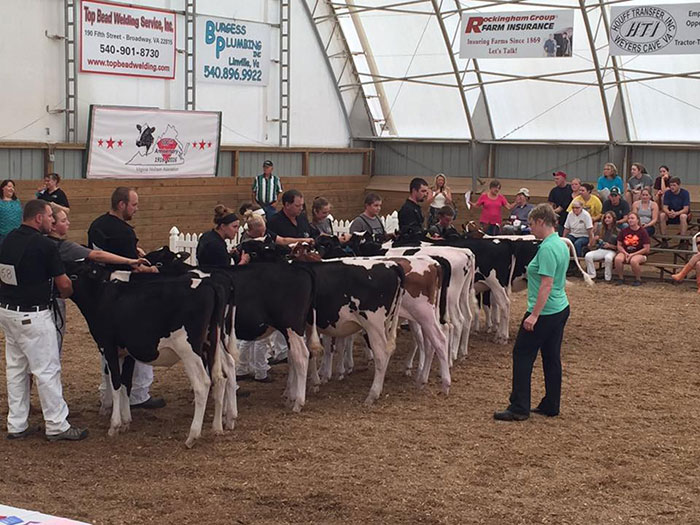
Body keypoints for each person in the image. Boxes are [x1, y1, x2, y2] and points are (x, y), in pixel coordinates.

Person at [0, 199, 87, 441]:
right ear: (39, 218)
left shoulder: (8, 240)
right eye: (50, 216)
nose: (52, 220)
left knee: (16, 369)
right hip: (33, 314)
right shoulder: (45, 246)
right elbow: (63, 284)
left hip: (8, 311)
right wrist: (68, 290)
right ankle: (57, 425)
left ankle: (17, 424)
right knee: (47, 370)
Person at [87, 187, 163, 410]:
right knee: (137, 340)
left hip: (101, 290)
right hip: (126, 291)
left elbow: (104, 252)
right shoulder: (123, 232)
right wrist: (151, 270)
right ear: (122, 205)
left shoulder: (97, 225)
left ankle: (108, 395)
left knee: (108, 345)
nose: (136, 209)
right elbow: (132, 264)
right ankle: (139, 393)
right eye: (134, 205)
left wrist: (133, 250)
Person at [493, 204, 570, 421]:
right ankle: (551, 404)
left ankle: (519, 407)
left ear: (539, 221)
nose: (530, 228)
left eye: (531, 224)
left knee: (522, 355)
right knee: (551, 356)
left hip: (545, 312)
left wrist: (534, 315)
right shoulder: (560, 244)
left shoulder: (546, 248)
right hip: (560, 307)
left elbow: (546, 284)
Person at [48, 204, 148, 351]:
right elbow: (97, 255)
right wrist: (129, 260)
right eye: (63, 221)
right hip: (51, 303)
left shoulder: (38, 240)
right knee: (51, 348)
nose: (68, 223)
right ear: (52, 226)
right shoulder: (62, 247)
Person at [614, 212, 651, 286]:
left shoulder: (643, 231)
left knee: (633, 261)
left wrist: (633, 254)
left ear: (637, 220)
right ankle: (621, 278)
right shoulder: (624, 231)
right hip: (626, 251)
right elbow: (619, 245)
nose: (630, 220)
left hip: (640, 253)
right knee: (618, 259)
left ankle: (638, 279)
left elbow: (646, 249)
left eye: (632, 218)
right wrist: (625, 253)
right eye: (629, 218)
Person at [584, 211, 619, 282]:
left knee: (608, 258)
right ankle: (592, 275)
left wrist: (610, 246)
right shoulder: (600, 230)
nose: (607, 219)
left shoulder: (618, 231)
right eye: (605, 218)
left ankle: (608, 278)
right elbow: (591, 245)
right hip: (601, 249)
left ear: (613, 219)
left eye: (609, 217)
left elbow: (618, 247)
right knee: (588, 256)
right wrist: (594, 239)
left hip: (612, 251)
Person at [659, 177, 691, 242]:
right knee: (662, 215)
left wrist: (676, 213)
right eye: (670, 185)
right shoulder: (667, 193)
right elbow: (665, 207)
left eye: (674, 185)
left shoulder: (685, 193)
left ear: (679, 185)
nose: (672, 187)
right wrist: (669, 213)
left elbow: (686, 209)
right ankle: (663, 239)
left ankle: (682, 240)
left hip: (680, 214)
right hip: (670, 214)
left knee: (683, 216)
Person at [0, 179, 22, 245]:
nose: (11, 189)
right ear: (3, 188)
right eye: (9, 186)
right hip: (3, 235)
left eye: (13, 187)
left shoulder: (17, 201)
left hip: (17, 234)